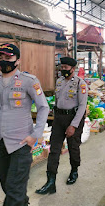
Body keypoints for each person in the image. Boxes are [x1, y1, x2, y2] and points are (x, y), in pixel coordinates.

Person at [0, 43, 49, 206]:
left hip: (21, 143)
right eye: (0, 57)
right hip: (0, 141)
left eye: (8, 57)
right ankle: (23, 202)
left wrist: (35, 135)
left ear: (17, 60)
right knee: (7, 183)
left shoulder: (29, 81)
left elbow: (43, 107)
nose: (3, 61)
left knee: (14, 190)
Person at [36, 57, 88, 195]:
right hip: (59, 119)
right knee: (54, 149)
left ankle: (74, 170)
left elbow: (82, 107)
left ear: (73, 69)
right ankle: (50, 181)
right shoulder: (59, 82)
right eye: (61, 67)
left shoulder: (80, 84)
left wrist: (73, 126)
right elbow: (57, 100)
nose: (62, 69)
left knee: (73, 147)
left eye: (65, 67)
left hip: (73, 118)